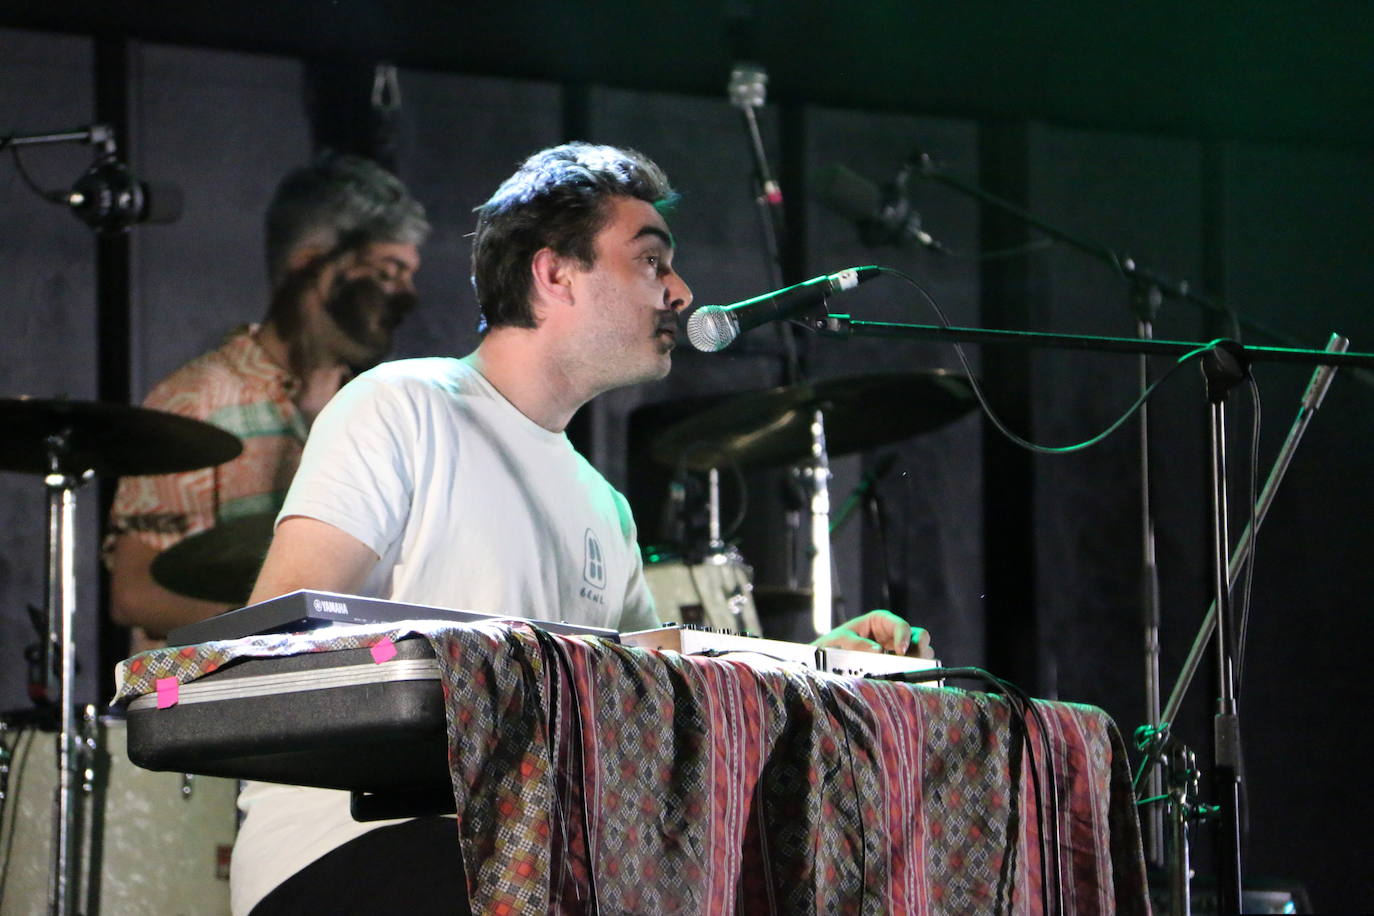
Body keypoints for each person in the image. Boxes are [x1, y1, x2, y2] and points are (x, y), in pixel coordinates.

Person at [231, 143, 931, 915]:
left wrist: (818, 664)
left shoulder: (605, 506)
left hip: (527, 853)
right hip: (351, 851)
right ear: (554, 273)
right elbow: (276, 644)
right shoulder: (402, 406)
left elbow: (657, 687)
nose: (681, 292)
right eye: (650, 261)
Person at [105, 152, 429, 645]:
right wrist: (277, 632)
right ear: (309, 263)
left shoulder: (375, 411)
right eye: (387, 272)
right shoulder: (197, 402)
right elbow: (136, 592)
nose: (407, 297)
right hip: (217, 705)